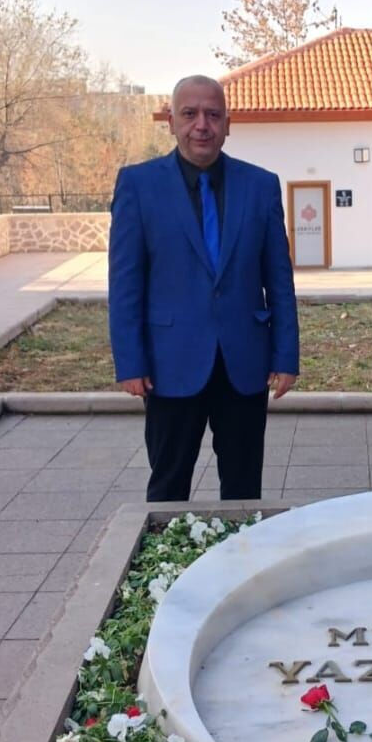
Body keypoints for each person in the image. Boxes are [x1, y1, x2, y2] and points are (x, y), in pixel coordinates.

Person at [108, 74, 299, 501]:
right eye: (190, 114)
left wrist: (285, 356)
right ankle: (171, 571)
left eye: (213, 115)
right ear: (171, 122)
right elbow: (125, 282)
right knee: (168, 488)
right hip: (168, 365)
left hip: (244, 362)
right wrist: (130, 361)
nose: (202, 125)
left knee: (245, 488)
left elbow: (279, 279)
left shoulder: (261, 185)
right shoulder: (138, 186)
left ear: (227, 124)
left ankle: (242, 565)